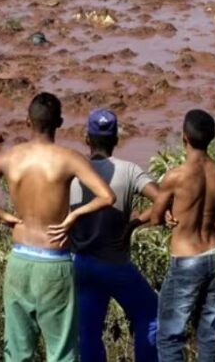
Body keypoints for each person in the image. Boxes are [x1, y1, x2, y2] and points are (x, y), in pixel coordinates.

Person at [0, 92, 116, 362]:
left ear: (27, 122)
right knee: (62, 352)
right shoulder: (69, 158)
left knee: (17, 353)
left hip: (19, 260)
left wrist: (3, 215)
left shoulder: (11, 157)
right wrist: (73, 217)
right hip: (54, 262)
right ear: (60, 122)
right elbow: (107, 197)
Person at [68, 109, 161, 362]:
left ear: (87, 139)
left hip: (83, 264)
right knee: (150, 315)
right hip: (116, 264)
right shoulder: (129, 171)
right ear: (116, 139)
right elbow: (162, 198)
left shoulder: (73, 175)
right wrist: (134, 224)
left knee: (88, 333)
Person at [149, 109, 215, 362]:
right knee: (210, 331)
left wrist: (165, 215)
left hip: (186, 259)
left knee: (170, 334)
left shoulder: (176, 176)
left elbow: (154, 217)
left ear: (184, 137)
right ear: (212, 138)